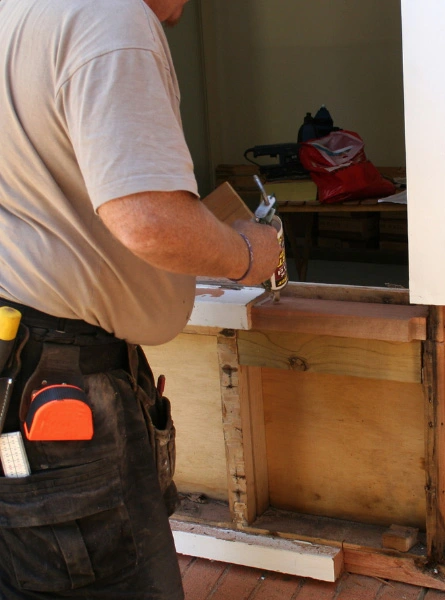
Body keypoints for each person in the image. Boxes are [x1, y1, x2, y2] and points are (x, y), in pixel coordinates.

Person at [0, 0, 281, 597]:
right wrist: (248, 253)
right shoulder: (108, 18)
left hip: (21, 361)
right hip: (60, 381)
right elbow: (148, 219)